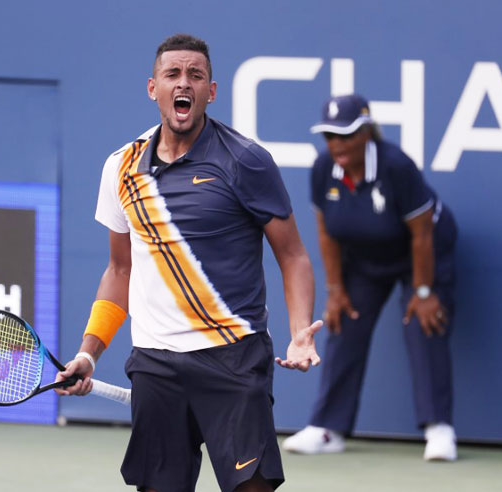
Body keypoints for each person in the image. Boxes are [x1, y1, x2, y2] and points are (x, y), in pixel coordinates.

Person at [55, 34, 322, 492]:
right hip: (156, 363)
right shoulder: (121, 167)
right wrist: (88, 353)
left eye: (196, 75)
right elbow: (120, 270)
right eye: (173, 74)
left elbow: (293, 255)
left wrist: (299, 332)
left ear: (211, 91)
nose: (185, 83)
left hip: (234, 357)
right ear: (153, 88)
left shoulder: (246, 161)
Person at [282, 94, 458, 461]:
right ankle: (328, 429)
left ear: (367, 133)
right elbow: (327, 232)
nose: (337, 144)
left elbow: (423, 233)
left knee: (422, 322)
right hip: (365, 257)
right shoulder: (322, 169)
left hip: (419, 253)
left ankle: (438, 428)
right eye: (330, 136)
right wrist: (335, 290)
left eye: (346, 135)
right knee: (344, 319)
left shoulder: (396, 166)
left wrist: (424, 291)